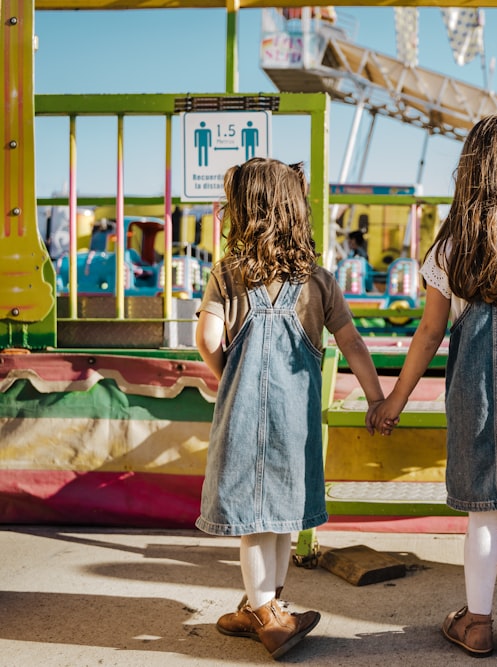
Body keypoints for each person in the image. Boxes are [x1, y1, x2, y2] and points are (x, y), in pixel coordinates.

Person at [369, 115, 497, 659]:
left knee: (483, 513)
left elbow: (430, 332)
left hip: (471, 401)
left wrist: (395, 399)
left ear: (471, 172)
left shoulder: (450, 250)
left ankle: (478, 624)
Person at [195, 158, 385, 660]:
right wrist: (376, 398)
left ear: (243, 213)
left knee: (256, 520)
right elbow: (353, 345)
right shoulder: (318, 282)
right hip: (294, 427)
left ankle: (263, 612)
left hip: (242, 421)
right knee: (282, 516)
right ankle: (268, 608)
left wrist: (226, 375)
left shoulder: (226, 275)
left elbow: (206, 338)